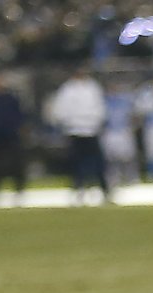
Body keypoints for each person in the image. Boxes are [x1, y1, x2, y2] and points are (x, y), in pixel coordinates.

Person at [48, 67, 108, 203]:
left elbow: (100, 107)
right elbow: (61, 110)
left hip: (91, 130)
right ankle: (78, 189)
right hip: (74, 130)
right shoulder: (67, 89)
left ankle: (103, 190)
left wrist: (96, 122)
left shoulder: (92, 87)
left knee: (98, 163)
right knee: (77, 163)